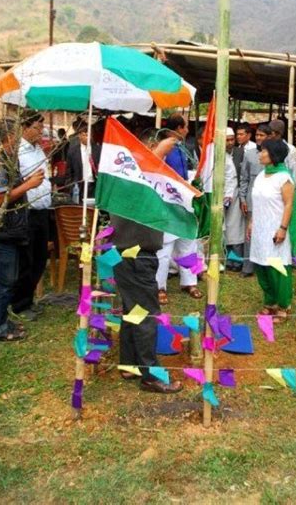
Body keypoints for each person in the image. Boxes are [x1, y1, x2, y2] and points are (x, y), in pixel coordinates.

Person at [111, 134, 182, 393]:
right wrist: (163, 147)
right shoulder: (134, 173)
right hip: (136, 255)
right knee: (146, 315)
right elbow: (146, 165)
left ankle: (129, 365)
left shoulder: (128, 174)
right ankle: (151, 375)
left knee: (134, 311)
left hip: (132, 254)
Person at [0, 118, 44, 342]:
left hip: (10, 232)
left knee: (6, 280)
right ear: (8, 138)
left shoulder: (6, 160)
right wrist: (28, 185)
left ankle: (1, 320)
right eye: (15, 134)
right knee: (1, 282)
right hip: (3, 233)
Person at [247, 138, 296, 323]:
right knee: (261, 265)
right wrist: (252, 222)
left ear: (274, 155)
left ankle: (283, 305)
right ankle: (269, 301)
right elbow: (258, 201)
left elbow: (288, 205)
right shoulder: (262, 175)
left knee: (277, 267)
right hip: (260, 228)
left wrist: (283, 228)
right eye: (260, 150)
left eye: (264, 151)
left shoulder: (284, 178)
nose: (260, 154)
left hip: (276, 228)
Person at [155, 125, 203, 302]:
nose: (187, 131)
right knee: (165, 248)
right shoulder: (161, 149)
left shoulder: (183, 148)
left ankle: (190, 282)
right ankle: (160, 287)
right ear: (176, 129)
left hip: (185, 202)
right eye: (184, 127)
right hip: (167, 203)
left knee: (188, 244)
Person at [12, 111, 52, 320]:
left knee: (40, 257)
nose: (40, 132)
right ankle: (20, 303)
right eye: (37, 127)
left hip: (42, 210)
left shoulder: (39, 150)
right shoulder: (17, 152)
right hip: (27, 210)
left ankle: (28, 298)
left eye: (41, 128)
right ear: (25, 127)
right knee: (26, 259)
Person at [239, 123, 271, 276]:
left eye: (262, 135)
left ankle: (265, 265)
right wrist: (242, 198)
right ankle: (247, 267)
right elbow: (244, 178)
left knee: (267, 231)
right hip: (252, 198)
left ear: (269, 137)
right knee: (249, 233)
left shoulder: (274, 155)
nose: (259, 138)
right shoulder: (249, 154)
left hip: (269, 200)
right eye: (257, 135)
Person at [224, 128, 246, 271]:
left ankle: (236, 261)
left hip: (235, 195)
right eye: (227, 140)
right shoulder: (215, 153)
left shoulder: (241, 153)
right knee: (222, 229)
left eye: (232, 139)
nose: (230, 142)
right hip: (219, 196)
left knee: (236, 229)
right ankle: (223, 259)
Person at [66, 122, 101, 203]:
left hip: (93, 185)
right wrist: (70, 186)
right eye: (84, 135)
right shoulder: (73, 151)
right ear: (79, 135)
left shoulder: (98, 150)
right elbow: (69, 171)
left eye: (89, 135)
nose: (87, 137)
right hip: (79, 186)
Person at [269, 119, 296, 185]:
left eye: (270, 132)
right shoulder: (266, 148)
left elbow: (294, 172)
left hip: (284, 187)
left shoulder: (290, 150)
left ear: (276, 133)